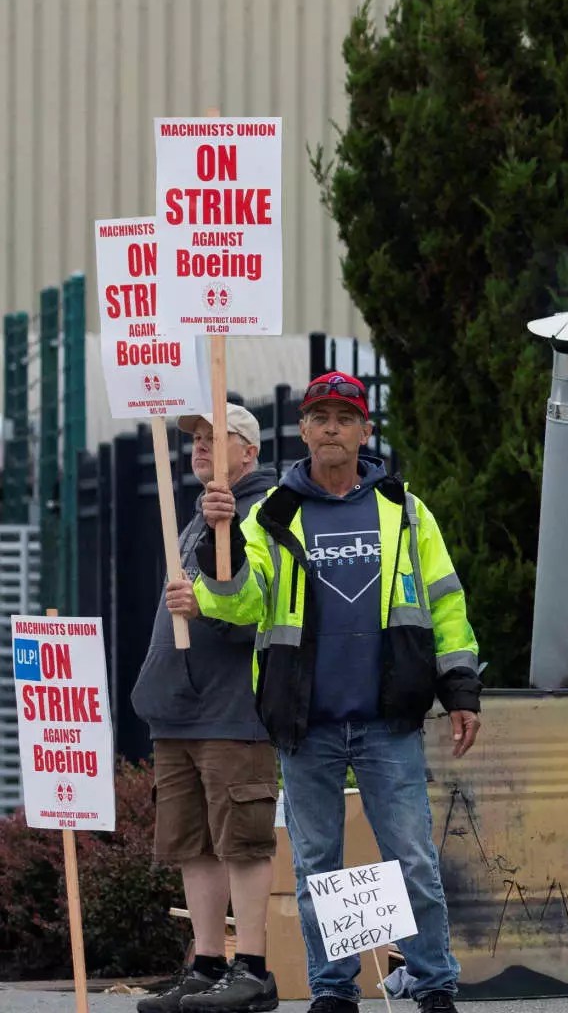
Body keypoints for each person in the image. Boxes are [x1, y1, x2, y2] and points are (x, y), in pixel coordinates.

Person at [170, 371, 482, 1013]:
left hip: (387, 719)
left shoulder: (405, 510)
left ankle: (435, 985)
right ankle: (333, 991)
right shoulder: (273, 513)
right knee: (317, 869)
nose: (333, 427)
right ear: (305, 430)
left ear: (366, 431)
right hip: (304, 722)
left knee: (414, 862)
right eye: (321, 417)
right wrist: (216, 555)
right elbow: (242, 603)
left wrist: (461, 691)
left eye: (346, 416)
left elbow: (446, 603)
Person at [133, 405, 282, 1013]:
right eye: (194, 439)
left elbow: (263, 604)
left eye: (216, 438)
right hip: (180, 711)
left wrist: (208, 600)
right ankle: (208, 962)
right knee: (192, 842)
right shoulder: (199, 515)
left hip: (233, 709)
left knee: (241, 840)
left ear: (248, 451)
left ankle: (252, 968)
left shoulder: (264, 511)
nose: (199, 447)